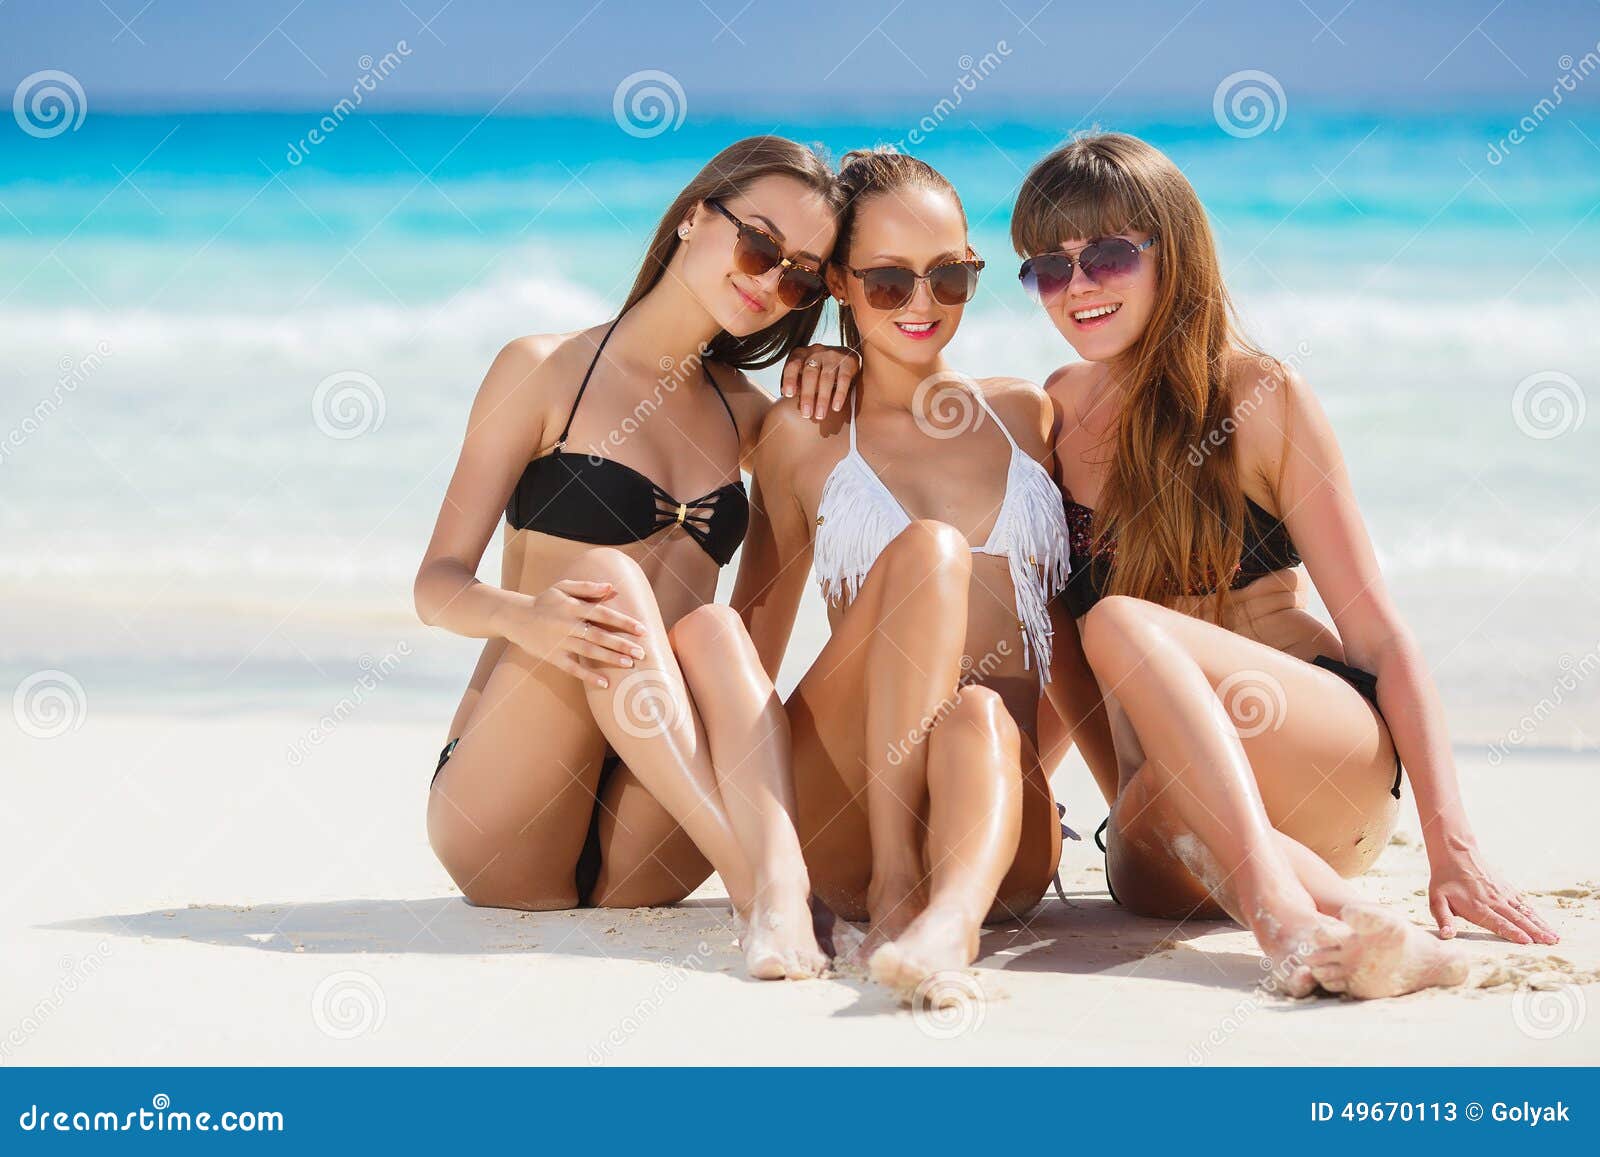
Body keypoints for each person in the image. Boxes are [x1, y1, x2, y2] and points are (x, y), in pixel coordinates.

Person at [1015, 132, 1557, 998]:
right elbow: (1054, 648)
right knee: (1138, 846)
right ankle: (1376, 937)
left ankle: (1278, 912)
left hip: (1318, 751)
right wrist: (1008, 793)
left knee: (1122, 617)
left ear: (1175, 253)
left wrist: (1452, 845)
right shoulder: (1053, 413)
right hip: (1172, 813)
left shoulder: (1259, 398)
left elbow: (1379, 635)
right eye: (1049, 266)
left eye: (1108, 254)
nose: (1077, 285)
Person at [415, 136, 843, 979]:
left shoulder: (758, 418)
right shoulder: (543, 369)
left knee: (717, 628)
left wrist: (846, 370)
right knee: (603, 577)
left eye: (799, 277)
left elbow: (765, 618)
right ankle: (765, 888)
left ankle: (773, 880)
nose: (767, 282)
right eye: (759, 245)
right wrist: (526, 618)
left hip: (651, 832)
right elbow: (437, 585)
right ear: (694, 216)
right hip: (508, 810)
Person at [736, 150, 1071, 1001]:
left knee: (984, 713)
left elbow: (1074, 637)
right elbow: (750, 657)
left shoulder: (1028, 421)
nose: (922, 305)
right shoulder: (805, 433)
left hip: (997, 841)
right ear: (841, 285)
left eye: (949, 277)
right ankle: (893, 891)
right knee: (930, 553)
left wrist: (1046, 776)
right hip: (841, 821)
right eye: (888, 282)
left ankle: (946, 925)